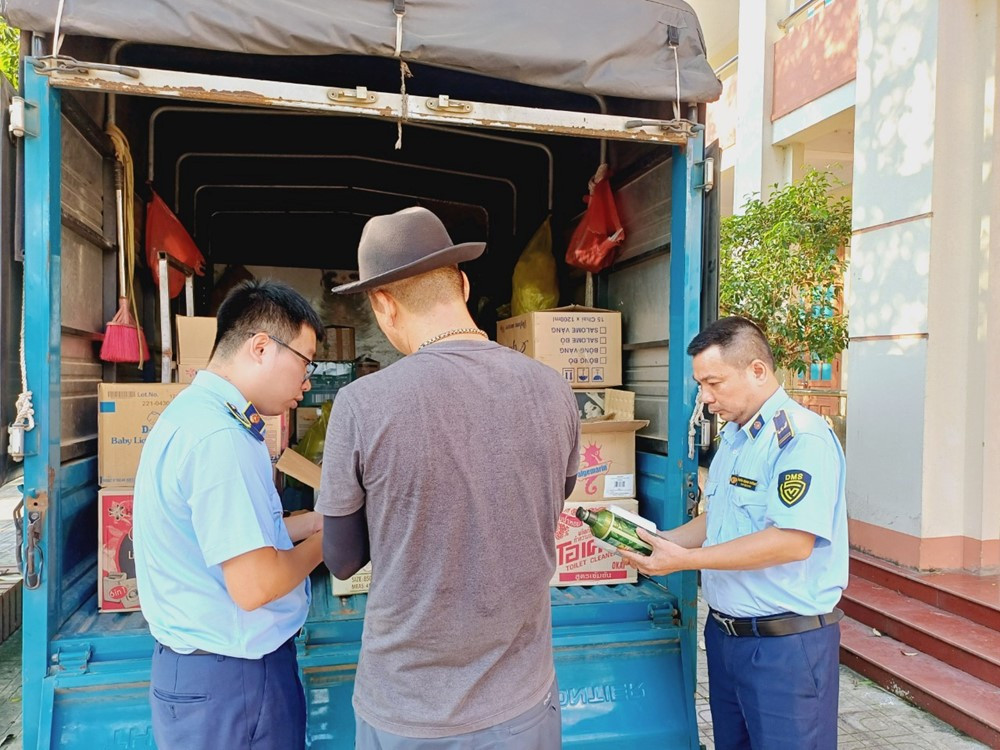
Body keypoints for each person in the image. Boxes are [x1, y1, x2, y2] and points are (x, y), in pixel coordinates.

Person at [317, 206, 580, 748]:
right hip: (523, 700)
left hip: (409, 712)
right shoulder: (553, 389)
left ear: (383, 305)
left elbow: (343, 559)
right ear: (461, 283)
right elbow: (551, 498)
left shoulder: (362, 404)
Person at [619, 316, 848, 750]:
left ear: (757, 371)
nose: (705, 399)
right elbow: (719, 520)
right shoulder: (738, 439)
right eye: (701, 385)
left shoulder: (800, 440)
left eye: (714, 383)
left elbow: (793, 541)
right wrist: (660, 541)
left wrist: (684, 562)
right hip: (727, 639)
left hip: (786, 647)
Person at [133, 280, 326, 750]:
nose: (307, 382)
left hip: (206, 673)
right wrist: (334, 538)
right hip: (232, 681)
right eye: (305, 362)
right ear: (261, 347)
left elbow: (234, 534)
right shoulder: (219, 437)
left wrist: (316, 521)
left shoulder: (198, 416)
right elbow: (255, 584)